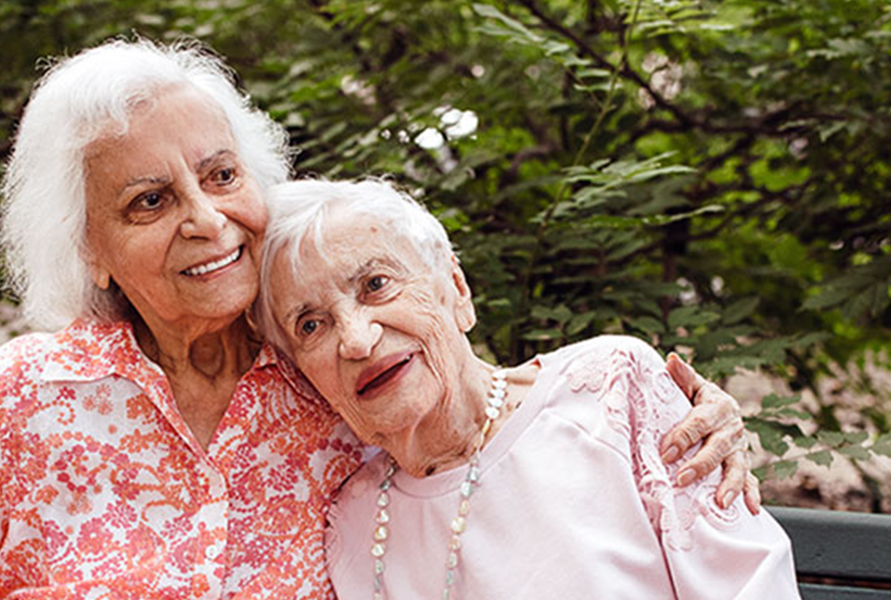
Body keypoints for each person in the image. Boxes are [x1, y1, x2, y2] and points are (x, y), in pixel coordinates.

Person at [0, 39, 758, 600]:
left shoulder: (326, 371)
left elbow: (479, 404)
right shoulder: (22, 403)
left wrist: (680, 410)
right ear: (87, 246)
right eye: (149, 201)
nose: (207, 217)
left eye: (222, 176)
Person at [256, 178, 800, 600]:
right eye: (311, 325)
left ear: (457, 290)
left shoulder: (610, 389)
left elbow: (752, 583)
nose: (355, 339)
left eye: (376, 285)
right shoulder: (351, 521)